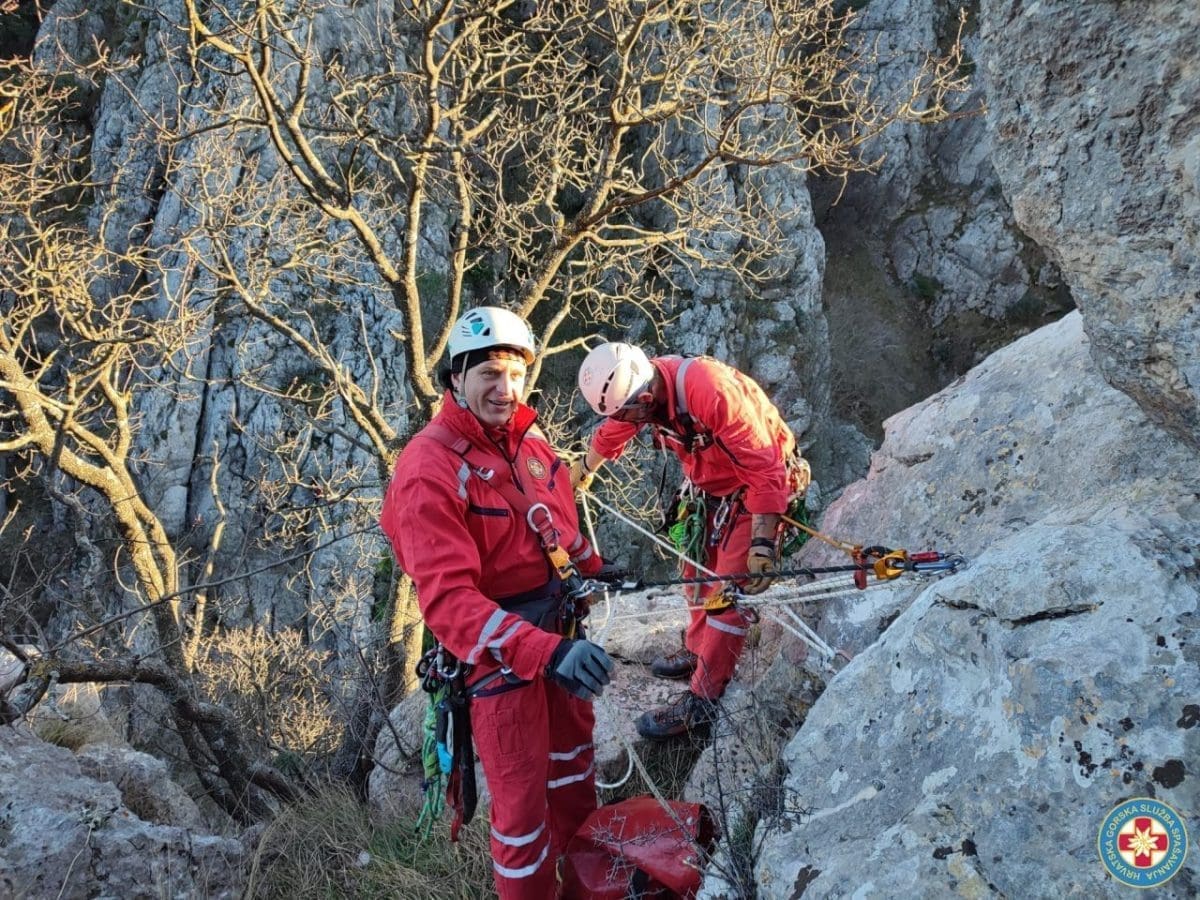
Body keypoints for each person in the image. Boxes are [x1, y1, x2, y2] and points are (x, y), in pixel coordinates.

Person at [381, 307, 615, 900]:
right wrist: (544, 651)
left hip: (561, 637)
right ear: (455, 379)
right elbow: (450, 603)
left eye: (515, 372)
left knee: (573, 777)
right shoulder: (428, 468)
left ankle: (585, 888)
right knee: (521, 821)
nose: (505, 388)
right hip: (501, 662)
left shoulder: (530, 444)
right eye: (488, 372)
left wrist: (593, 565)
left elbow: (557, 523)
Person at [573, 342, 808, 741]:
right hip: (711, 491)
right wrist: (583, 468)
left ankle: (702, 701)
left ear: (645, 399)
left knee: (730, 595)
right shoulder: (645, 394)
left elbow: (765, 467)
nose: (629, 422)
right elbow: (618, 425)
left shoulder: (709, 391)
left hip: (757, 492)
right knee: (695, 575)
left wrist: (763, 543)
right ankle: (697, 651)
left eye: (631, 412)